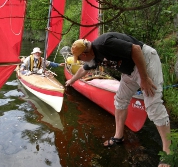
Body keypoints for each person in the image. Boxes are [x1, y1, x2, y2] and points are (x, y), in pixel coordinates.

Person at [65, 32, 171, 167]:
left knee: (153, 106)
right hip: (129, 71)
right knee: (120, 100)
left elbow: (136, 49)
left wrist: (144, 78)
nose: (80, 61)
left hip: (145, 61)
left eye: (79, 58)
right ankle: (118, 137)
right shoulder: (93, 56)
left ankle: (168, 152)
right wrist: (71, 82)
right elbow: (83, 70)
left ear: (85, 54)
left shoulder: (103, 44)